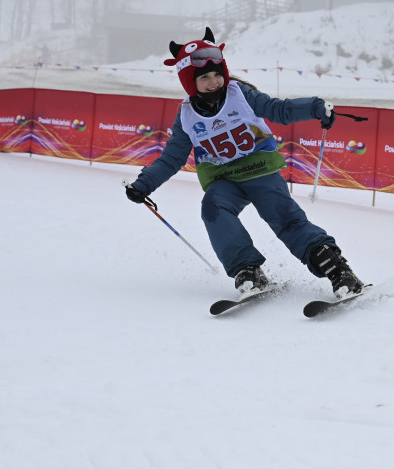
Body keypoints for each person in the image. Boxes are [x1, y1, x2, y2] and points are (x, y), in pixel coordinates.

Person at [124, 28, 364, 299]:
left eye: (217, 74)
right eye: (204, 77)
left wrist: (315, 107)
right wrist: (144, 184)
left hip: (260, 170)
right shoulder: (187, 116)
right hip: (224, 179)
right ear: (190, 82)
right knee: (213, 208)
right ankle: (247, 271)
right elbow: (172, 158)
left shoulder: (240, 94)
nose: (214, 82)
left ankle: (337, 270)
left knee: (285, 218)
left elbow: (278, 109)